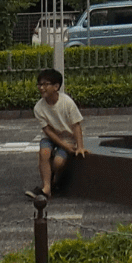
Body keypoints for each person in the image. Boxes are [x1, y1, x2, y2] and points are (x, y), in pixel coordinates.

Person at [30, 67, 85, 201]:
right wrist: (64, 146)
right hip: (51, 138)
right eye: (40, 84)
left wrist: (79, 146)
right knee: (44, 153)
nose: (41, 88)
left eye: (45, 84)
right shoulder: (38, 108)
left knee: (58, 163)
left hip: (68, 137)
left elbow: (76, 125)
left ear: (56, 86)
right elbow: (47, 131)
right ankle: (46, 188)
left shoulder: (67, 103)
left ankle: (53, 179)